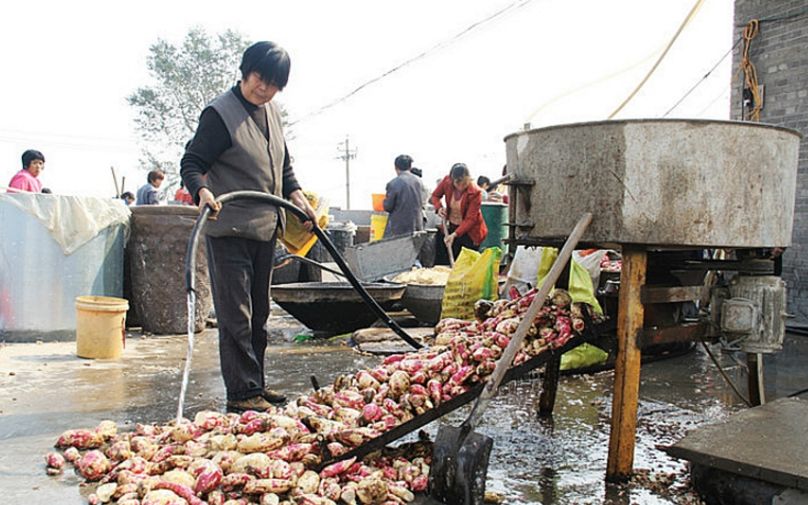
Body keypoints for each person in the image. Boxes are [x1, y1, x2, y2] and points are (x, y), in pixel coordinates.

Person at [180, 40, 317, 414]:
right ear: (245, 70)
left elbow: (284, 168)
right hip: (230, 231)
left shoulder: (271, 112)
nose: (265, 89)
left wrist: (298, 197)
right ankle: (241, 394)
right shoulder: (220, 114)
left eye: (274, 84)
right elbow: (192, 163)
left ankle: (255, 384)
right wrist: (203, 191)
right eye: (260, 78)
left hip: (265, 228)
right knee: (236, 316)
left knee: (259, 315)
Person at [431, 163, 488, 263]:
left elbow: (471, 219)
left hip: (470, 232)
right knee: (443, 259)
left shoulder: (476, 192)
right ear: (452, 180)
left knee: (464, 264)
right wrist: (439, 208)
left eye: (464, 183)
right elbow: (435, 196)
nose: (461, 187)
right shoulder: (446, 182)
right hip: (452, 225)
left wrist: (454, 235)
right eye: (458, 184)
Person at [382, 154, 424, 238]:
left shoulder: (393, 183)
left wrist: (384, 201)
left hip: (399, 229)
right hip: (417, 226)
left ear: (395, 167)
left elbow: (388, 207)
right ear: (410, 167)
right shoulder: (419, 181)